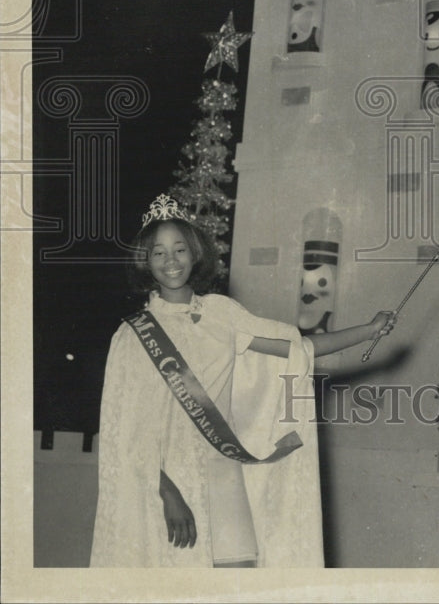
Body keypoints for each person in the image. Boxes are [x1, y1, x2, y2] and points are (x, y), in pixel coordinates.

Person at [89, 194, 395, 568]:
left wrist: (369, 331)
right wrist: (167, 494)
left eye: (180, 249)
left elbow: (298, 348)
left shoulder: (223, 315)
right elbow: (124, 434)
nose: (171, 260)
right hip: (162, 485)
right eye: (159, 253)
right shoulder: (132, 337)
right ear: (146, 262)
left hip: (223, 475)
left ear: (195, 253)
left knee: (239, 578)